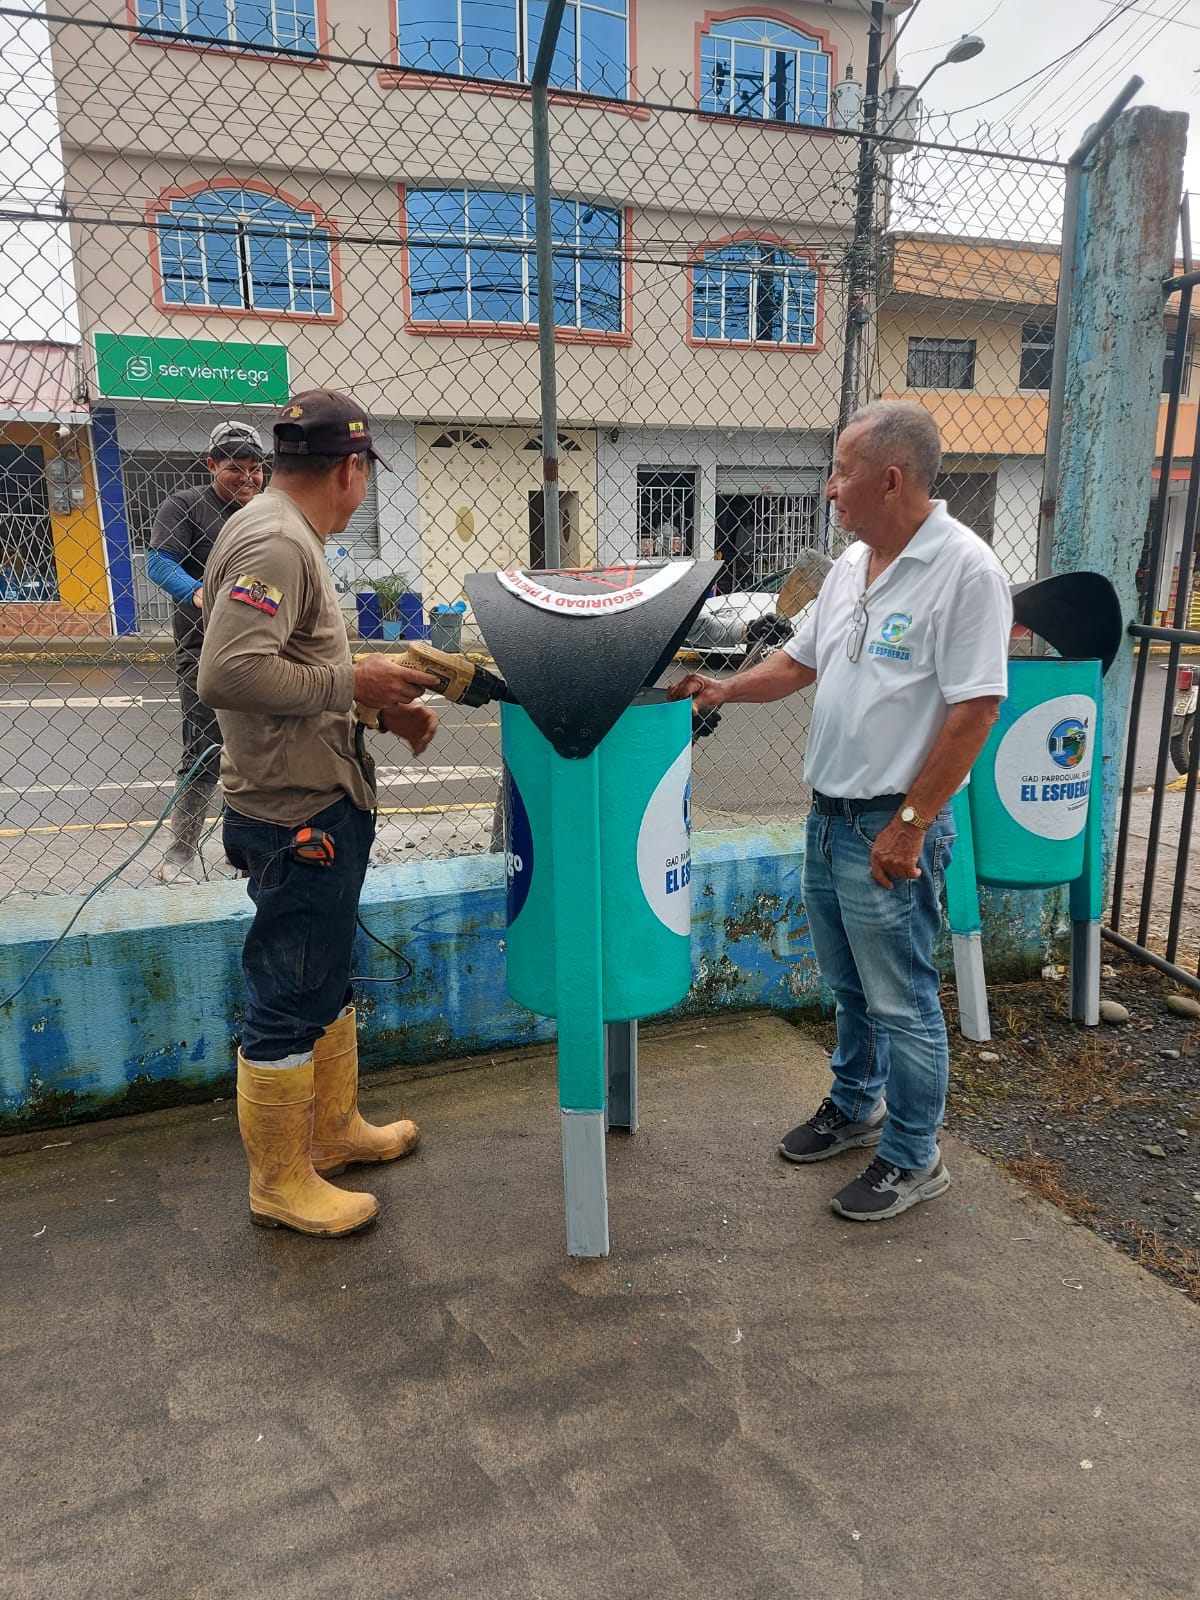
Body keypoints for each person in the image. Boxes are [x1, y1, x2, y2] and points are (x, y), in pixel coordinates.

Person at [669, 400, 1011, 1222]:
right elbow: (799, 662)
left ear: (890, 479)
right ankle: (857, 1105)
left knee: (903, 1000)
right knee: (850, 986)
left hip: (890, 824)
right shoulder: (855, 563)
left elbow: (977, 710)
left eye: (840, 472)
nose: (829, 489)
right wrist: (723, 689)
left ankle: (914, 1156)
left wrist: (912, 824)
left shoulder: (966, 572)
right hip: (828, 818)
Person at [198, 390, 441, 1238]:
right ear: (350, 471)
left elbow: (291, 668)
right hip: (292, 813)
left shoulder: (283, 531)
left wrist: (375, 706)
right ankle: (278, 1183)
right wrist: (353, 681)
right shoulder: (275, 540)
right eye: (366, 474)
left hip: (315, 798)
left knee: (324, 977)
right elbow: (228, 674)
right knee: (288, 997)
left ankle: (331, 1134)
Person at [146, 420, 266, 877]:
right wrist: (200, 593)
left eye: (256, 468)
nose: (248, 478)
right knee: (204, 751)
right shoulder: (187, 505)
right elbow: (159, 562)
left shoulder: (267, 511)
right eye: (236, 467)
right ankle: (180, 853)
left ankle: (250, 854)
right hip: (204, 648)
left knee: (258, 753)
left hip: (262, 648)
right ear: (212, 464)